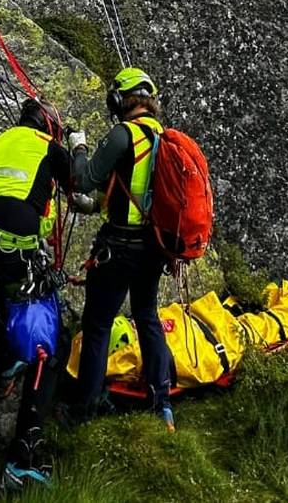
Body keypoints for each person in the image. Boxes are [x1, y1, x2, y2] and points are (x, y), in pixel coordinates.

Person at [0, 98, 72, 489]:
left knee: (12, 294)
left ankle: (6, 369)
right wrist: (74, 146)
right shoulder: (48, 146)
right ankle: (25, 449)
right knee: (51, 344)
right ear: (49, 127)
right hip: (13, 248)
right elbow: (80, 185)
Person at [67, 67, 176, 432]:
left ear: (119, 100)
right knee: (147, 314)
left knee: (97, 324)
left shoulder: (122, 134)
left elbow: (83, 178)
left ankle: (85, 409)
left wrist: (79, 147)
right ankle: (162, 403)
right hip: (154, 247)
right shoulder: (166, 137)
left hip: (119, 246)